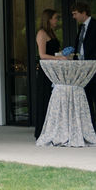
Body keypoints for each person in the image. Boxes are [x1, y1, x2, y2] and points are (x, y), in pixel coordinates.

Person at [71, 2, 96, 143]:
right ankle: (90, 132)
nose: (74, 17)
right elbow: (80, 47)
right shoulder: (81, 28)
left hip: (94, 68)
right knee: (86, 102)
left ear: (83, 12)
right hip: (82, 69)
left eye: (75, 14)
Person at [32, 9, 69, 140]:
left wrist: (63, 54)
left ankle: (54, 130)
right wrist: (58, 58)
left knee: (54, 100)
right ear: (48, 19)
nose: (57, 20)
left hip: (54, 71)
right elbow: (42, 55)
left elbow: (54, 52)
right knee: (45, 99)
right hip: (46, 72)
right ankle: (42, 132)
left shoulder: (52, 33)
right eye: (55, 18)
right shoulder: (41, 33)